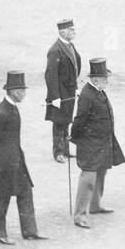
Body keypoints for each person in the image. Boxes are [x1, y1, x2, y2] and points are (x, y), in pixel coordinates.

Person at [0, 70, 47, 244]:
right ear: (13, 91)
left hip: (17, 161)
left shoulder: (12, 108)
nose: (24, 94)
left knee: (25, 192)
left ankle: (30, 230)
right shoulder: (2, 112)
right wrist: (1, 160)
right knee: (2, 197)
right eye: (22, 91)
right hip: (6, 164)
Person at [70, 58, 125, 229]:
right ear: (95, 80)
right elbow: (79, 121)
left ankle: (94, 205)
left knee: (101, 173)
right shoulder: (87, 95)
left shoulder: (98, 90)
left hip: (102, 142)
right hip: (90, 144)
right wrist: (76, 139)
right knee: (88, 178)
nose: (107, 82)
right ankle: (79, 215)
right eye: (105, 79)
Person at [44, 18, 82, 163]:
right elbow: (50, 75)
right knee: (59, 123)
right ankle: (58, 152)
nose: (74, 32)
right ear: (63, 31)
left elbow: (74, 68)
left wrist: (76, 87)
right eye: (71, 30)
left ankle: (65, 150)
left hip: (69, 92)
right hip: (60, 94)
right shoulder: (55, 50)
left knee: (66, 121)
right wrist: (55, 97)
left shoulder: (70, 46)